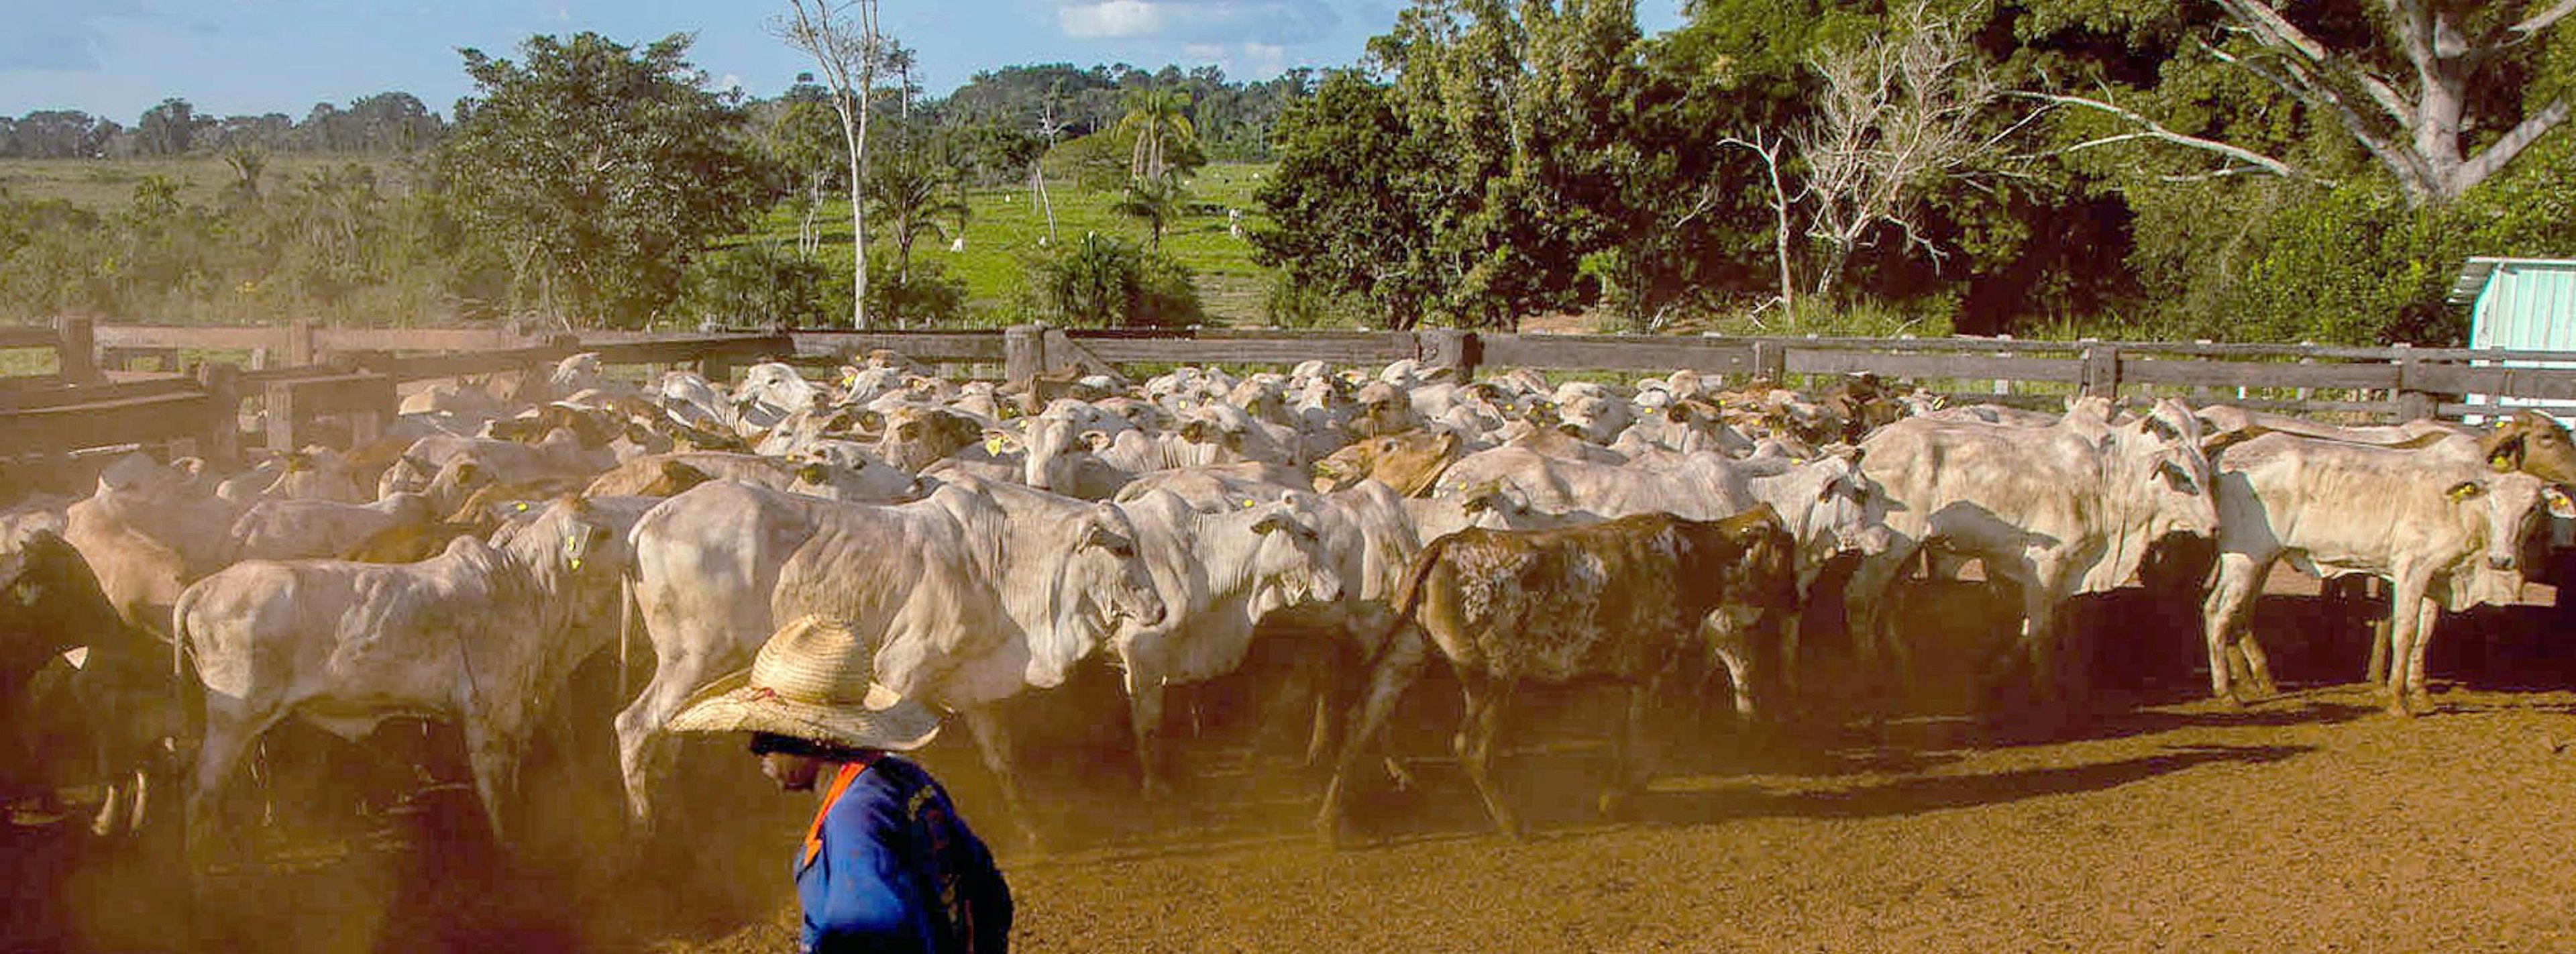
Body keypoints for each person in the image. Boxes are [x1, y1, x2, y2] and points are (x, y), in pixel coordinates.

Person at [667, 615, 1012, 954]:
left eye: (771, 733)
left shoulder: (853, 821)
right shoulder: (906, 780)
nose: (756, 748)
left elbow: (870, 939)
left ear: (819, 738)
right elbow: (990, 896)